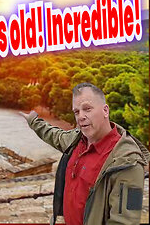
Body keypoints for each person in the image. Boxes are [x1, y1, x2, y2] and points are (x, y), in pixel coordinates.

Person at [20, 82, 149, 225]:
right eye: (77, 111)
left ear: (105, 110)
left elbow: (126, 221)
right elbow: (55, 135)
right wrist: (33, 121)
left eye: (87, 109)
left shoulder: (128, 163)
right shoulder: (76, 139)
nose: (81, 116)